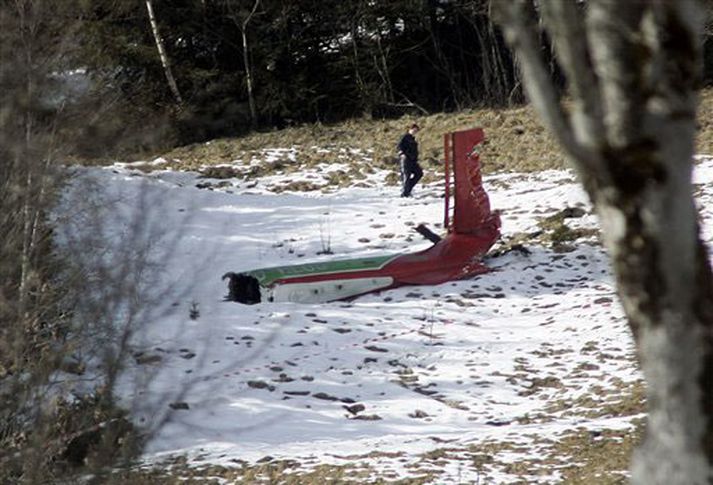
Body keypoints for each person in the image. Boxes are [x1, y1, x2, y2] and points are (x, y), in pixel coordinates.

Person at [397, 123, 423, 197]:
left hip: (413, 160)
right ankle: (405, 194)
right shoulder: (405, 137)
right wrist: (402, 154)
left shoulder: (413, 139)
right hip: (406, 160)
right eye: (414, 130)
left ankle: (408, 189)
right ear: (410, 129)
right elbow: (399, 146)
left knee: (419, 173)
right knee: (406, 176)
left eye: (416, 131)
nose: (415, 132)